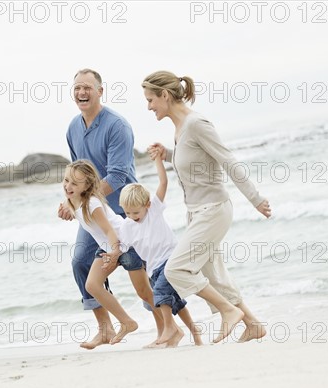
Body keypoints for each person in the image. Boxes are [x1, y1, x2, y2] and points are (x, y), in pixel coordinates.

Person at [142, 70, 272, 344]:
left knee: (176, 269)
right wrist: (166, 154)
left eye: (151, 99)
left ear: (165, 95)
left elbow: (227, 161)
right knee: (214, 275)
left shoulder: (197, 123)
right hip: (196, 212)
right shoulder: (180, 129)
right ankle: (253, 324)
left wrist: (256, 198)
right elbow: (194, 162)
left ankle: (228, 311)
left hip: (213, 210)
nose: (149, 106)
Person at [58, 69, 157, 349]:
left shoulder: (117, 126)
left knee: (142, 272)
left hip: (128, 211)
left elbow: (117, 175)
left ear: (101, 91)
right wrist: (73, 200)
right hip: (93, 213)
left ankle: (166, 325)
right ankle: (104, 328)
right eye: (77, 88)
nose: (82, 93)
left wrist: (78, 200)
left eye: (88, 87)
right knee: (80, 262)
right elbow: (77, 174)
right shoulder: (73, 128)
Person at [63, 160, 156, 345]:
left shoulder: (92, 204)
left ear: (87, 185)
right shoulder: (73, 200)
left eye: (74, 183)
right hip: (108, 247)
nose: (68, 186)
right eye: (66, 180)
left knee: (145, 292)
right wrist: (65, 209)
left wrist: (115, 253)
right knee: (92, 285)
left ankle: (169, 327)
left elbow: (110, 231)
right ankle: (127, 322)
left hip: (126, 245)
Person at [119, 149, 203, 347]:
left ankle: (169, 329)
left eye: (135, 212)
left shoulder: (153, 211)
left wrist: (158, 159)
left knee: (159, 293)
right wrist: (110, 256)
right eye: (127, 212)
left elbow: (163, 183)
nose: (131, 216)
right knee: (176, 303)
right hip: (153, 268)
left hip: (170, 258)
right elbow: (122, 247)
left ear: (147, 205)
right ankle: (194, 333)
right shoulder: (127, 225)